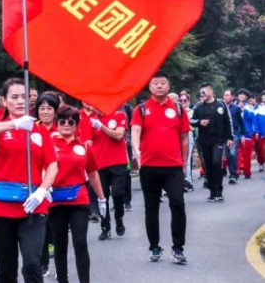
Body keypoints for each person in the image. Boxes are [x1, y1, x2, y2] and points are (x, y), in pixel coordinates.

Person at [0, 78, 58, 283]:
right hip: (1, 206)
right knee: (6, 267)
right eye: (14, 97)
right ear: (3, 101)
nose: (20, 101)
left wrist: (42, 190)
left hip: (33, 204)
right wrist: (13, 124)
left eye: (24, 96)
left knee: (32, 263)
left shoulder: (40, 130)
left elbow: (52, 164)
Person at [131, 71, 189, 264]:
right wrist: (137, 151)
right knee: (151, 207)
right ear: (150, 87)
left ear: (168, 86)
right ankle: (154, 247)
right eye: (155, 83)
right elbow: (136, 132)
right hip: (149, 166)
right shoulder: (141, 109)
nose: (159, 86)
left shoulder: (178, 109)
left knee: (178, 204)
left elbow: (184, 138)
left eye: (163, 83)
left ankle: (178, 247)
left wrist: (184, 162)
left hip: (173, 166)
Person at [49, 105, 106, 283]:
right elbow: (40, 168)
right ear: (56, 123)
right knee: (60, 244)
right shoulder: (49, 144)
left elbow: (93, 173)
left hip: (78, 199)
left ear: (77, 124)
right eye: (62, 121)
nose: (66, 124)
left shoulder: (84, 146)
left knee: (80, 243)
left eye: (71, 121)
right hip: (55, 200)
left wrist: (102, 198)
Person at [88, 106, 129, 241]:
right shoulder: (91, 120)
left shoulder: (119, 115)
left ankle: (119, 218)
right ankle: (105, 227)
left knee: (117, 193)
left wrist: (102, 127)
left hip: (118, 161)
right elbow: (88, 142)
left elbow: (119, 135)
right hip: (99, 163)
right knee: (102, 197)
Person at [190, 83, 233, 202]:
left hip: (218, 140)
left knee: (216, 162)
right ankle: (212, 192)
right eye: (200, 93)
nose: (202, 95)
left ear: (210, 91)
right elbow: (192, 120)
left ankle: (219, 191)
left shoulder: (221, 104)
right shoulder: (198, 106)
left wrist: (230, 137)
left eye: (204, 92)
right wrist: (200, 122)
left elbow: (228, 121)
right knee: (208, 166)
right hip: (204, 140)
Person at [34, 92, 60, 276]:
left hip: (60, 183)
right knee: (40, 225)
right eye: (42, 108)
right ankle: (43, 261)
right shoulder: (32, 128)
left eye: (49, 108)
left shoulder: (64, 127)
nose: (45, 112)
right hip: (38, 185)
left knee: (56, 225)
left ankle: (59, 261)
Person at [78, 102, 100, 222]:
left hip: (96, 153)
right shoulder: (77, 114)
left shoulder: (98, 115)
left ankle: (94, 210)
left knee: (93, 183)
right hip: (79, 152)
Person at [222, 89, 245, 184]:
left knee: (232, 153)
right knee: (226, 155)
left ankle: (233, 175)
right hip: (223, 134)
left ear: (232, 97)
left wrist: (243, 134)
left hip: (234, 133)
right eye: (224, 95)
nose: (226, 97)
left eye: (227, 95)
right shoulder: (221, 107)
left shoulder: (236, 108)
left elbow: (240, 122)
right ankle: (230, 172)